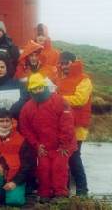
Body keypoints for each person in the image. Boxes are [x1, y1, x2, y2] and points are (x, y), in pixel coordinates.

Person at [19, 73, 77, 203]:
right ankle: (44, 193)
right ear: (30, 90)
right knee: (43, 169)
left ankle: (60, 194)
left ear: (44, 86)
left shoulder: (60, 101)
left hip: (62, 146)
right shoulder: (27, 107)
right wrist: (37, 145)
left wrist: (64, 144)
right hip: (43, 146)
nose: (37, 91)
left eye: (39, 87)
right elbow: (25, 129)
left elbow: (67, 124)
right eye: (34, 89)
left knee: (59, 168)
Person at [56, 51, 93, 196]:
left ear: (74, 62)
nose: (64, 66)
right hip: (63, 125)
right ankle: (65, 189)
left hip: (77, 126)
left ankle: (82, 190)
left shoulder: (85, 80)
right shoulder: (59, 78)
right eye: (62, 63)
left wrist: (58, 98)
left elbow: (80, 100)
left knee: (74, 158)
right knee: (64, 158)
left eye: (67, 63)